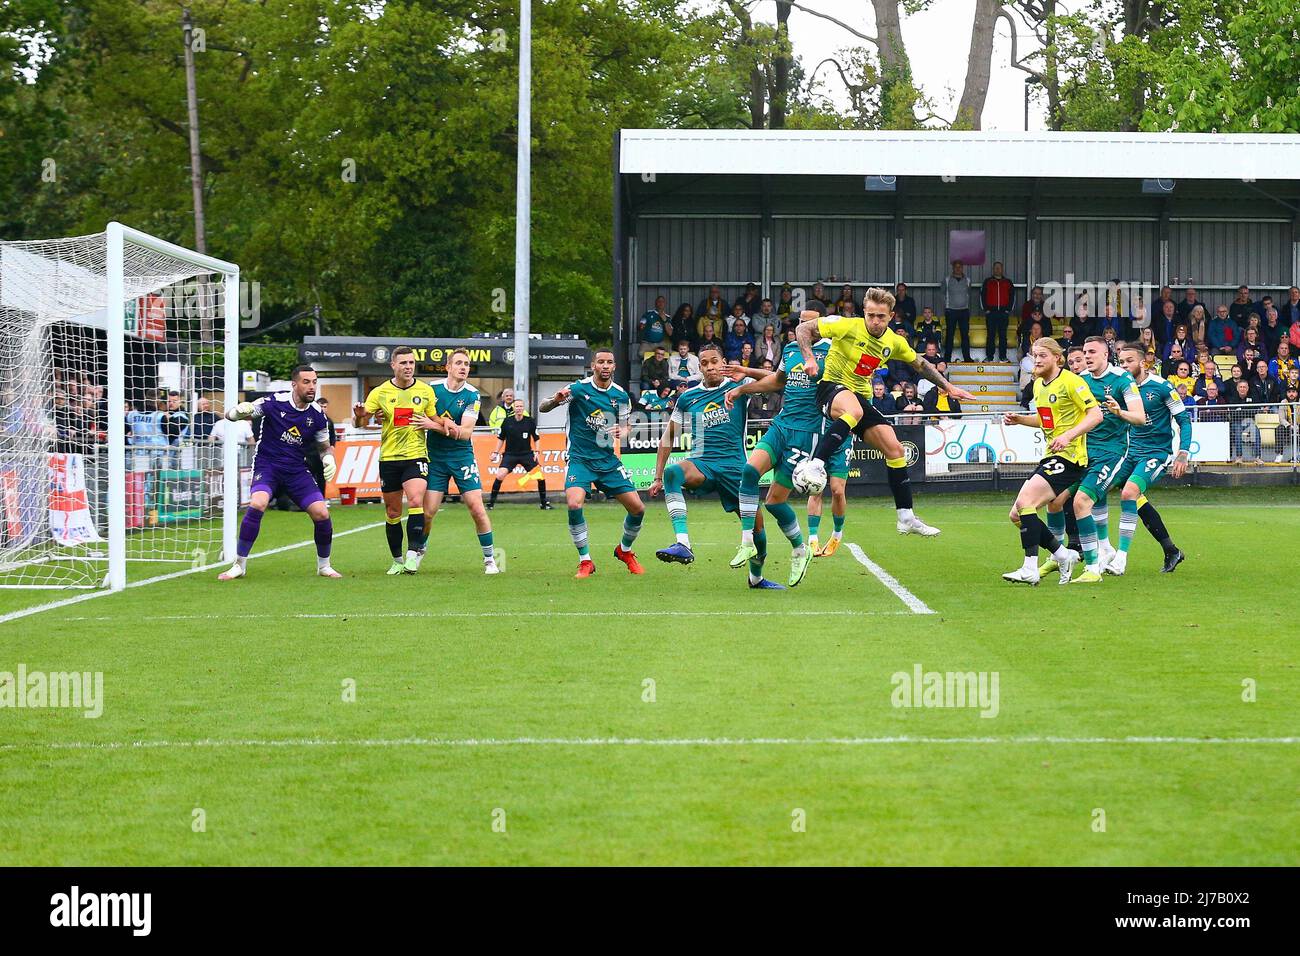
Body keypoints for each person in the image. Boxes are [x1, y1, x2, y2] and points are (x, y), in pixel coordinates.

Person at [796, 290, 977, 535]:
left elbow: (921, 364)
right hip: (831, 389)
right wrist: (809, 358)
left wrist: (949, 387)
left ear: (891, 316)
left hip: (858, 401)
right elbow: (803, 329)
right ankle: (815, 464)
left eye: (881, 317)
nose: (875, 321)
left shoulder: (894, 342)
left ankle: (906, 516)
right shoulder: (845, 325)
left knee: (895, 448)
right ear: (864, 313)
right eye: (870, 315)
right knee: (854, 409)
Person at [648, 345, 784, 589]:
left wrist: (744, 370)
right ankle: (683, 543)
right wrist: (657, 477)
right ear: (698, 367)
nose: (709, 367)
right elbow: (668, 437)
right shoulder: (688, 397)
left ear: (723, 363)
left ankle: (756, 578)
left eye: (714, 361)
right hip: (702, 463)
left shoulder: (737, 389)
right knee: (672, 473)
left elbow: (777, 381)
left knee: (758, 530)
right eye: (704, 363)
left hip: (735, 468)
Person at [723, 335, 836, 574]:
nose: (806, 328)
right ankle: (746, 542)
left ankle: (799, 549)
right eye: (802, 322)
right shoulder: (792, 348)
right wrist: (742, 388)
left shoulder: (832, 350)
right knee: (749, 471)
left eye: (812, 323)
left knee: (774, 502)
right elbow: (777, 380)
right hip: (781, 425)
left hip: (807, 433)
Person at [218, 366, 339, 580]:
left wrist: (328, 457)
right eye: (306, 382)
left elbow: (324, 446)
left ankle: (324, 566)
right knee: (258, 503)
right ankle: (239, 565)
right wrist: (237, 411)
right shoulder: (274, 402)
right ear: (294, 384)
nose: (312, 387)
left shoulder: (318, 415)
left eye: (314, 382)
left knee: (322, 513)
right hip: (268, 466)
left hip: (296, 470)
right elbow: (232, 415)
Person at [1040, 337, 1146, 583]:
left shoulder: (1122, 379)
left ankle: (1093, 567)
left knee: (1081, 502)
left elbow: (1140, 417)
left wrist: (1120, 412)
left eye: (1092, 352)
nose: (1086, 357)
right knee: (1054, 501)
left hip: (1112, 452)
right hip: (1082, 452)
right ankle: (1058, 557)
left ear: (1106, 355)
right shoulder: (1080, 381)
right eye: (1084, 352)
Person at [1000, 338, 1102, 585]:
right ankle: (1062, 554)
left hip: (1071, 457)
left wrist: (1068, 435)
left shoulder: (1072, 382)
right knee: (1016, 514)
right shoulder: (1038, 386)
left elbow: (1096, 414)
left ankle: (1029, 568)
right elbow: (1046, 420)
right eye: (1034, 355)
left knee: (1026, 503)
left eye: (1042, 355)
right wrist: (1020, 420)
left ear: (1058, 358)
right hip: (1052, 455)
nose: (1037, 360)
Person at [539, 349, 646, 578]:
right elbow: (543, 408)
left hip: (607, 460)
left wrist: (623, 430)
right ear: (593, 365)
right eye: (601, 362)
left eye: (609, 362)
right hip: (580, 458)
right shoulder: (578, 389)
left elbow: (627, 427)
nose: (605, 366)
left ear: (614, 366)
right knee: (575, 504)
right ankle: (585, 561)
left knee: (638, 509)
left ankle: (624, 550)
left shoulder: (620, 395)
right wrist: (555, 400)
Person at [405, 349, 497, 575]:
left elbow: (465, 433)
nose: (464, 367)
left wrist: (434, 425)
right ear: (448, 367)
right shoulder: (431, 390)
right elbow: (414, 416)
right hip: (435, 457)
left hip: (461, 456)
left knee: (476, 508)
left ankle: (490, 559)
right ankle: (419, 551)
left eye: (466, 364)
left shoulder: (472, 395)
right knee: (428, 512)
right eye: (459, 363)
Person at [352, 346, 438, 576]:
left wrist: (437, 425)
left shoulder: (425, 391)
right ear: (393, 366)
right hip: (389, 458)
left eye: (411, 363)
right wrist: (359, 416)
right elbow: (359, 423)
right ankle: (397, 560)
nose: (408, 367)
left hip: (416, 455)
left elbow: (435, 418)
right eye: (403, 363)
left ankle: (412, 555)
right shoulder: (380, 392)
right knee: (392, 512)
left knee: (416, 499)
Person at [1112, 343, 1191, 573]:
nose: (1124, 365)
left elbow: (1183, 420)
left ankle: (1120, 558)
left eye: (1129, 361)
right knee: (1096, 490)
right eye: (1121, 361)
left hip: (1156, 453)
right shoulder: (1121, 388)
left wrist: (1182, 453)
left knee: (1129, 492)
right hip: (1130, 452)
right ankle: (1171, 550)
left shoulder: (1162, 387)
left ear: (1143, 363)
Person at [487, 398, 550, 511]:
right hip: (510, 454)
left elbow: (536, 438)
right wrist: (495, 452)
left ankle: (544, 504)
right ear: (514, 408)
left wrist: (537, 452)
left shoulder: (529, 421)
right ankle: (490, 504)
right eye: (517, 406)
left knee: (540, 476)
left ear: (523, 408)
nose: (519, 408)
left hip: (526, 454)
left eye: (521, 406)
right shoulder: (507, 421)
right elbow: (501, 438)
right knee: (500, 475)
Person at [980, 260, 1015, 362]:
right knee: (990, 335)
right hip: (991, 313)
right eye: (996, 267)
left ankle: (1002, 357)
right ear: (993, 269)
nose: (997, 269)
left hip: (1003, 313)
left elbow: (1013, 296)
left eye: (999, 267)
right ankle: (989, 357)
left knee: (1003, 336)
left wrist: (1008, 310)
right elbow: (982, 295)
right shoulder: (987, 281)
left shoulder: (1008, 282)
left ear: (1002, 269)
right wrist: (986, 309)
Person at [304, 396, 339, 494]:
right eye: (321, 406)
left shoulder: (329, 422)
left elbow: (332, 438)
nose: (323, 409)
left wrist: (330, 452)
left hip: (322, 455)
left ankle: (321, 498)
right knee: (308, 477)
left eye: (325, 407)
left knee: (322, 477)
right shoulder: (309, 419)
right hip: (309, 453)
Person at [943, 260, 973, 362]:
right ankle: (947, 358)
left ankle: (967, 358)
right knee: (949, 335)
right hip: (951, 311)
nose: (958, 268)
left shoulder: (968, 280)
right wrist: (947, 307)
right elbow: (943, 293)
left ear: (962, 268)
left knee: (965, 335)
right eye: (956, 267)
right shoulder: (947, 280)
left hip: (964, 311)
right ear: (953, 268)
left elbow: (969, 294)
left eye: (960, 267)